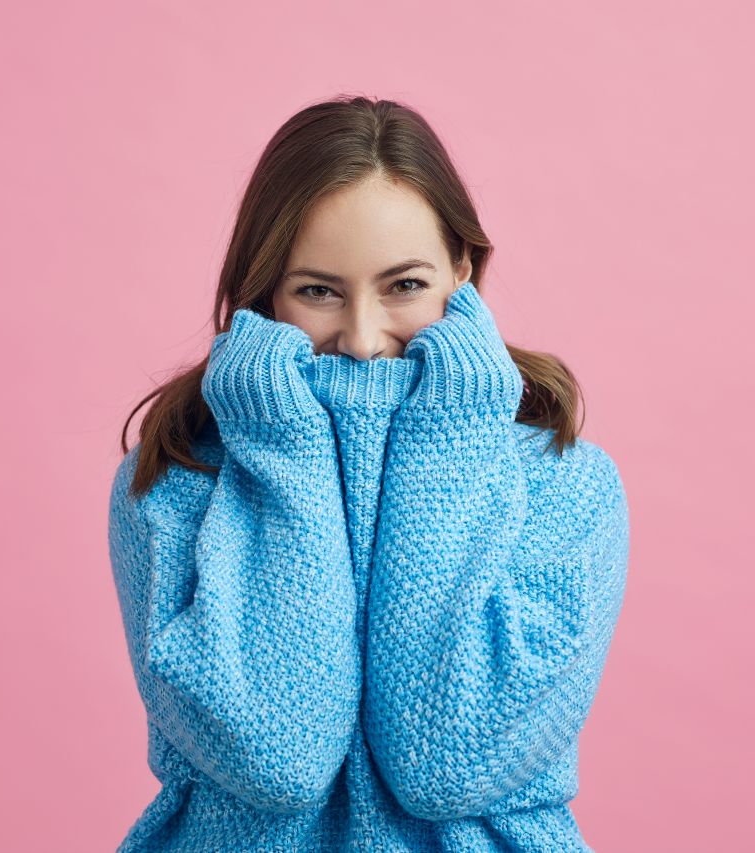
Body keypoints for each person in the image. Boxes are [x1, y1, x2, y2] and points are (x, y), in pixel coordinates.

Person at [106, 95, 630, 852]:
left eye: (405, 285)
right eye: (317, 291)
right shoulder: (170, 485)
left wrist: (447, 439)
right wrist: (282, 453)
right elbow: (275, 759)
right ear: (264, 293)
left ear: (463, 271)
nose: (361, 338)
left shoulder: (564, 483)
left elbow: (450, 761)